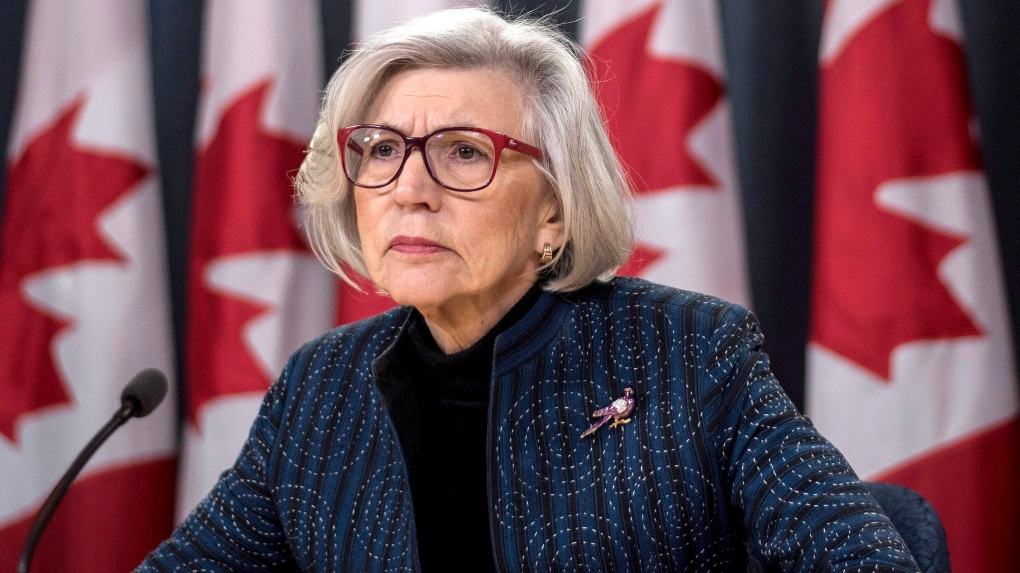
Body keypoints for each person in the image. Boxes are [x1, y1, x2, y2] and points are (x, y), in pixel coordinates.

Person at [139, 8, 920, 572]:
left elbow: (861, 557)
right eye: (380, 150)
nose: (409, 188)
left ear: (555, 207)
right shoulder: (320, 390)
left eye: (464, 152)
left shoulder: (693, 354)